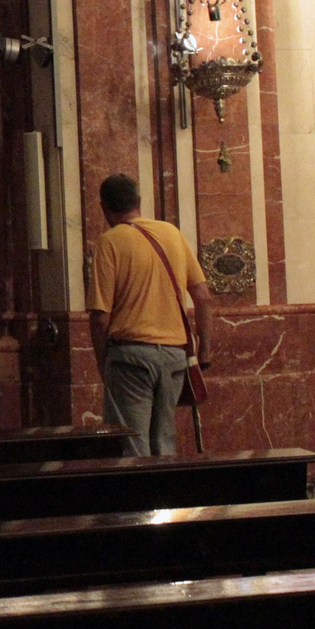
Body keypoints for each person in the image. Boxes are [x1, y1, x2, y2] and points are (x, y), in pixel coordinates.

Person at [87, 173, 215, 457]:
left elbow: (100, 317)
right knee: (164, 443)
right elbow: (203, 297)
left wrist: (103, 365)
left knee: (132, 445)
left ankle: (139, 501)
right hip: (174, 356)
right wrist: (203, 352)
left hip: (130, 357)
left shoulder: (109, 242)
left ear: (103, 207)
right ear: (138, 202)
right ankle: (166, 499)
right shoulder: (172, 233)